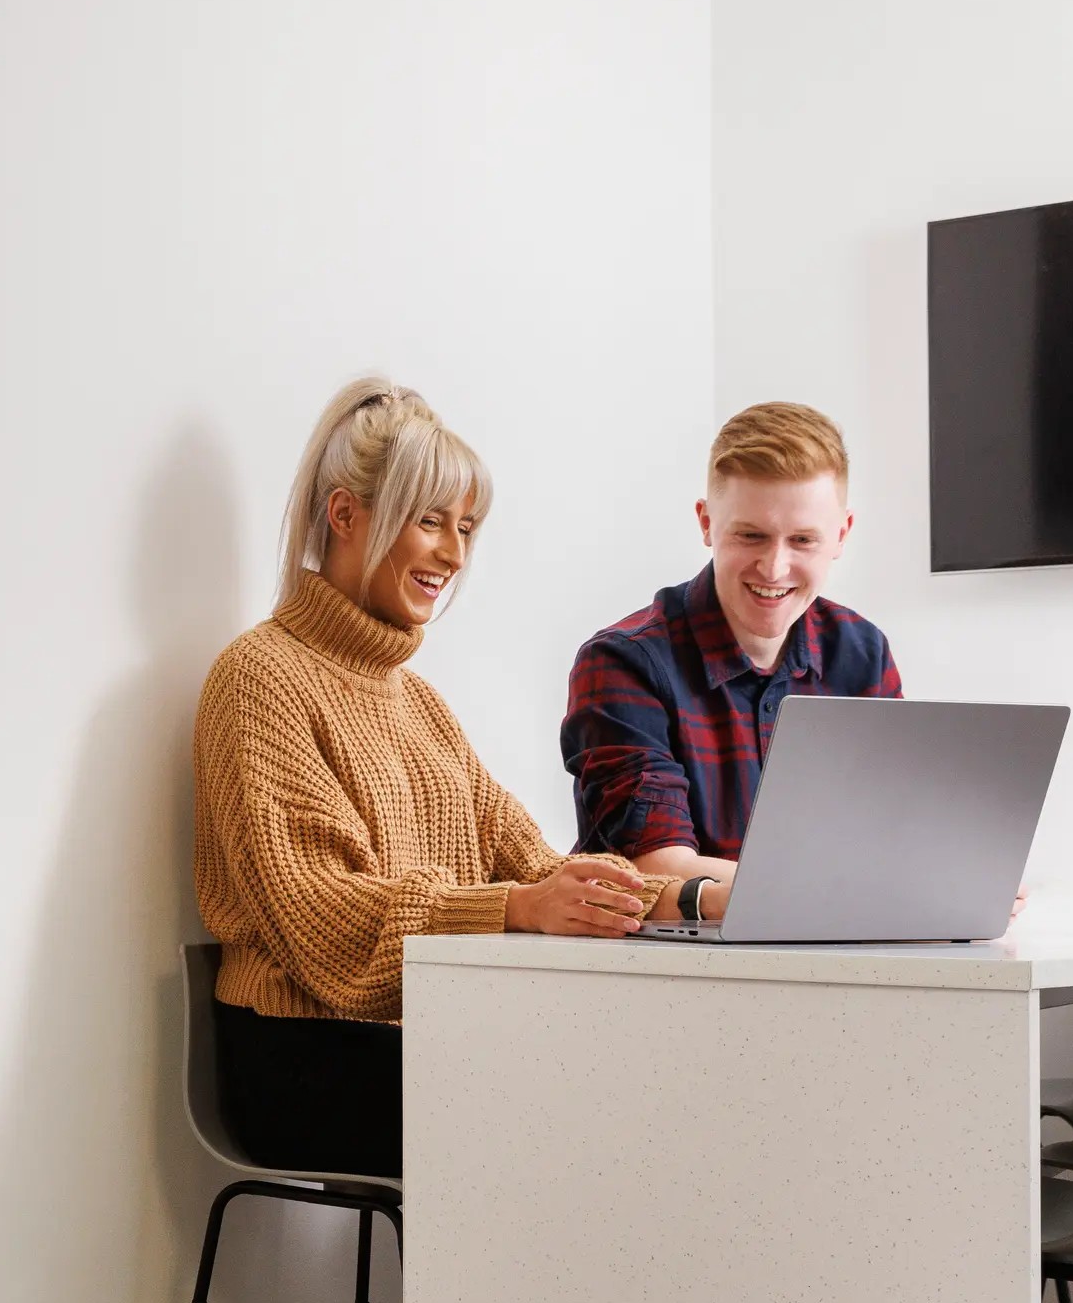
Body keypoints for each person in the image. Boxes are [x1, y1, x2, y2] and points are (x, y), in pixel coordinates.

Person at [192, 378, 700, 1178]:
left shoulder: (419, 703)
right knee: (601, 1116)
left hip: (421, 1036)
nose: (455, 554)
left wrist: (697, 902)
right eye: (430, 521)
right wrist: (519, 908)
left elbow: (532, 863)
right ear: (346, 514)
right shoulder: (259, 678)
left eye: (465, 527)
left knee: (663, 1079)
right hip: (295, 1053)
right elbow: (322, 917)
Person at [560, 403, 899, 900]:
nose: (774, 567)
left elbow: (889, 836)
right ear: (706, 523)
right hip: (669, 971)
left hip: (833, 955)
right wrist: (877, 891)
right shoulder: (622, 662)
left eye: (803, 540)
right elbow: (661, 868)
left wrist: (945, 879)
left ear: (841, 534)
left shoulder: (861, 651)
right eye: (750, 535)